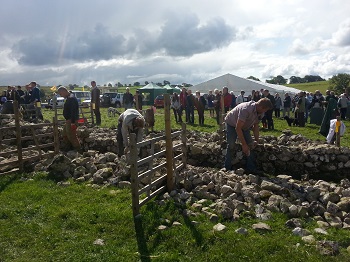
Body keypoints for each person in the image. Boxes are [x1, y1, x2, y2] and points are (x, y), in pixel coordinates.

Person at [224, 98, 273, 173]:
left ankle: (251, 168)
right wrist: (244, 144)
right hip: (232, 123)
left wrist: (256, 140)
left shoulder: (260, 112)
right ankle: (227, 168)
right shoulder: (246, 109)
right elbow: (238, 128)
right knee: (231, 144)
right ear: (261, 107)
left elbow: (256, 126)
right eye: (265, 110)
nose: (265, 112)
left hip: (245, 126)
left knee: (251, 145)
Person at [57, 86, 80, 150]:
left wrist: (73, 122)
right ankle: (69, 148)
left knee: (72, 136)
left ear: (64, 91)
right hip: (68, 119)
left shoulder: (71, 98)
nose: (61, 95)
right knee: (64, 134)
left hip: (71, 120)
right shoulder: (69, 97)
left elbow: (73, 111)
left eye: (61, 94)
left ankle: (78, 150)